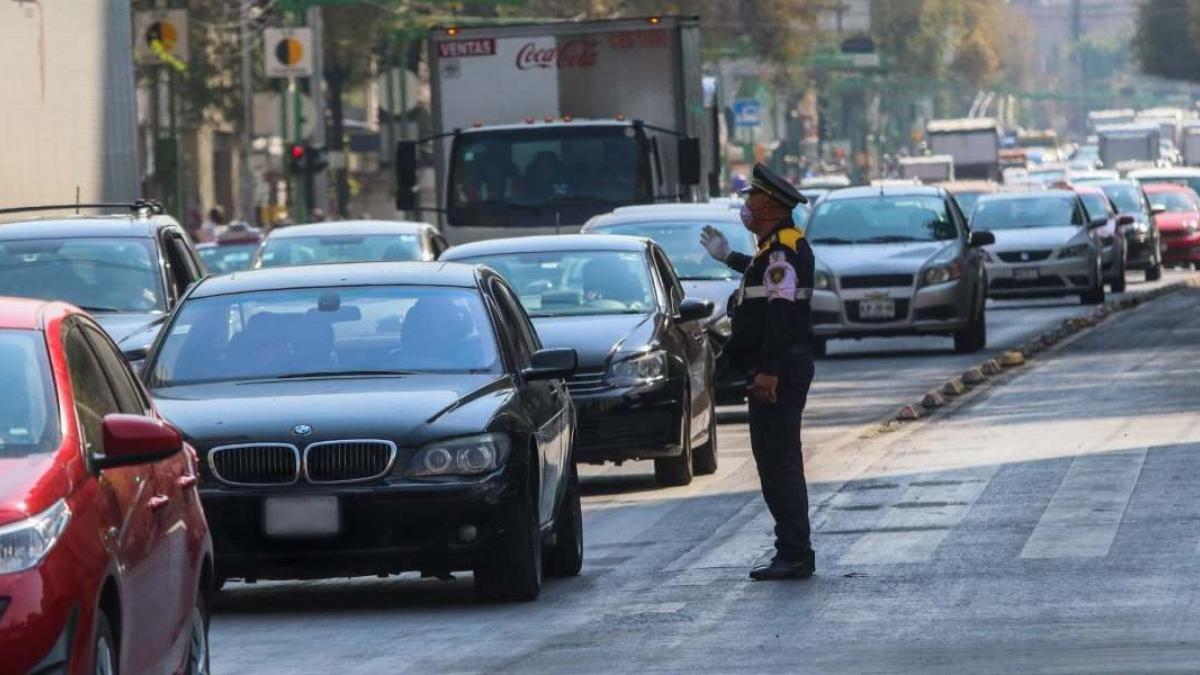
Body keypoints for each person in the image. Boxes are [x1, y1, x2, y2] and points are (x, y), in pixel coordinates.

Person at [699, 163, 816, 581]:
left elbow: (781, 315)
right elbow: (765, 279)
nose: (745, 203)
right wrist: (729, 257)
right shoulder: (776, 249)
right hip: (782, 369)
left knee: (778, 462)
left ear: (768, 204)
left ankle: (795, 553)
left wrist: (768, 372)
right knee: (777, 460)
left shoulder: (782, 251)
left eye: (751, 197)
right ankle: (793, 549)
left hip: (779, 374)